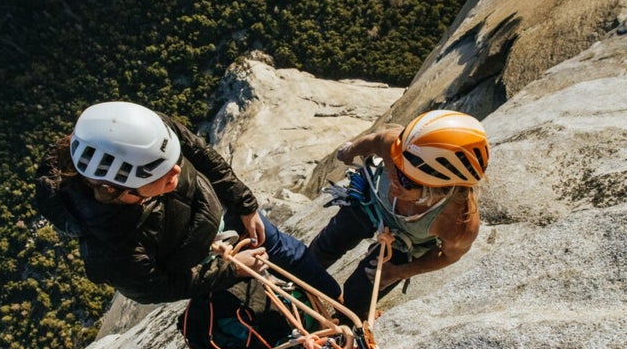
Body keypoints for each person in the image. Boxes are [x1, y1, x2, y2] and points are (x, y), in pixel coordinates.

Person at [35, 101, 341, 304]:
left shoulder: (143, 133)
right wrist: (230, 272)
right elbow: (157, 287)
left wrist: (244, 204)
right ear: (119, 190)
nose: (178, 171)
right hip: (203, 262)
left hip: (224, 211)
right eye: (160, 172)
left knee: (291, 253)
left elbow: (199, 152)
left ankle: (339, 306)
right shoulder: (113, 250)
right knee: (260, 308)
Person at [308, 110, 489, 319]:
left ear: (438, 190)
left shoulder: (458, 226)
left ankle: (349, 318)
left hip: (405, 240)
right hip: (371, 201)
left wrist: (399, 272)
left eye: (405, 180)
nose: (393, 175)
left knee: (359, 295)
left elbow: (448, 256)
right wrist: (350, 151)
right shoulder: (400, 146)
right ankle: (298, 281)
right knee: (326, 247)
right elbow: (377, 140)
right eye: (396, 162)